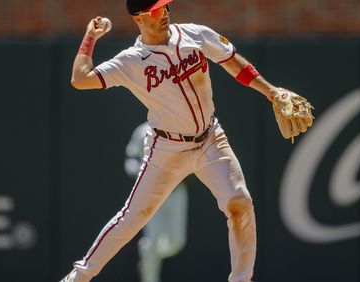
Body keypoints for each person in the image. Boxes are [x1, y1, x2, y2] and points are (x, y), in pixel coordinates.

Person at [61, 0, 293, 281]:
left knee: (239, 202)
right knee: (132, 218)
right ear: (139, 18)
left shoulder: (195, 34)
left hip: (211, 139)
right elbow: (80, 78)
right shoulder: (131, 60)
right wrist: (90, 38)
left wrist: (271, 92)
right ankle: (78, 277)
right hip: (167, 148)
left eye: (167, 7)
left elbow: (233, 62)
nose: (165, 13)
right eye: (157, 10)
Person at [125, 122, 188, 282]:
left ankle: (148, 254)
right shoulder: (142, 131)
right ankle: (149, 274)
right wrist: (136, 170)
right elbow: (131, 158)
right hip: (152, 193)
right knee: (152, 239)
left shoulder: (182, 127)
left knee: (176, 242)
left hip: (176, 191)